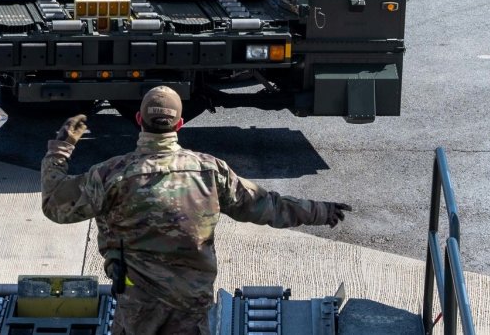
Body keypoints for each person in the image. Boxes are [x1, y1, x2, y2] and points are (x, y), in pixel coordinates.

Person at [40, 87, 352, 335]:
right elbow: (264, 205)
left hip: (138, 302)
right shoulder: (210, 171)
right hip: (192, 302)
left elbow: (56, 206)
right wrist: (318, 211)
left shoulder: (110, 176)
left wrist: (60, 150)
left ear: (138, 119)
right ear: (179, 123)